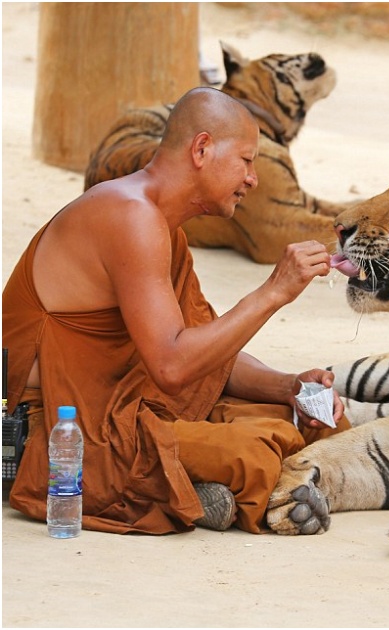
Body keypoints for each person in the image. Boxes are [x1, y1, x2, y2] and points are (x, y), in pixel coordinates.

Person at [2, 87, 350, 534]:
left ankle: (181, 489)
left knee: (311, 420)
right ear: (202, 148)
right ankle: (178, 489)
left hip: (125, 405)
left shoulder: (165, 231)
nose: (253, 180)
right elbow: (172, 365)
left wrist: (287, 387)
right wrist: (272, 293)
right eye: (246, 160)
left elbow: (206, 354)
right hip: (55, 427)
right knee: (256, 450)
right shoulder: (130, 216)